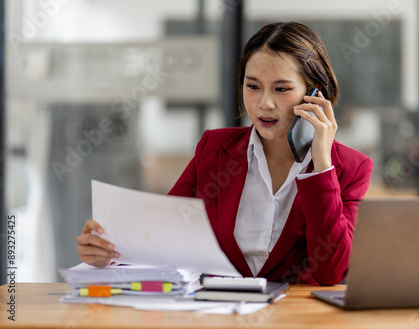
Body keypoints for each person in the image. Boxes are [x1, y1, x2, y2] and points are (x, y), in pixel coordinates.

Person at [77, 22, 373, 286]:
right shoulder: (215, 149)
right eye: (253, 86)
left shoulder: (350, 168)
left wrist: (322, 167)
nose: (264, 103)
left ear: (315, 95)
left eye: (281, 89)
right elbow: (164, 236)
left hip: (297, 319)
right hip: (218, 312)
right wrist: (110, 252)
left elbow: (330, 271)